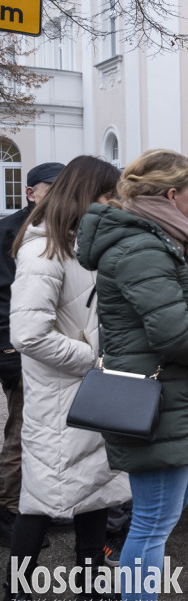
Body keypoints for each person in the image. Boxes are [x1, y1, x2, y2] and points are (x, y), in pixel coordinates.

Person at [77, 149, 188, 601]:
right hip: (157, 396)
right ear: (170, 194)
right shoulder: (142, 247)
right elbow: (172, 333)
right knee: (152, 523)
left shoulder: (156, 238)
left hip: (171, 394)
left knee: (164, 511)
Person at [3, 158, 128, 601]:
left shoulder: (83, 246)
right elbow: (28, 334)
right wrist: (93, 359)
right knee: (40, 496)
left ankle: (89, 580)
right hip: (60, 393)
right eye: (108, 196)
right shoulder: (43, 250)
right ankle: (15, 595)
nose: (114, 204)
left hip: (90, 388)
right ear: (85, 196)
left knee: (96, 485)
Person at [0, 162, 63, 547]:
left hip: (52, 349)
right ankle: (9, 511)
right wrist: (9, 348)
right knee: (22, 430)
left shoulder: (62, 229)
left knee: (47, 433)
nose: (59, 194)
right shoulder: (11, 231)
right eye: (51, 188)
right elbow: (6, 297)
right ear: (30, 192)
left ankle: (34, 508)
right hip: (17, 347)